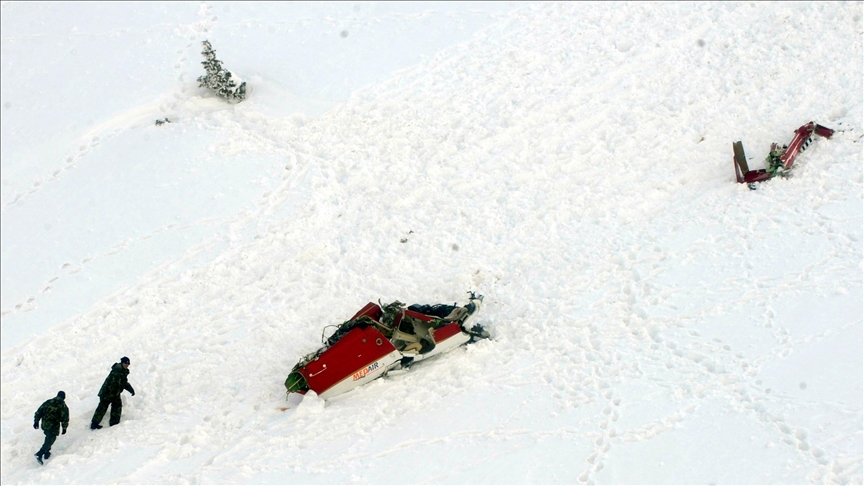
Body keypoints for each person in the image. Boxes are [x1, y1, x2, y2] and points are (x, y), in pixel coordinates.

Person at [90, 356, 135, 429]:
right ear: (122, 363)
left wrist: (131, 389)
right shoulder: (117, 371)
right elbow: (114, 384)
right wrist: (113, 395)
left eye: (128, 364)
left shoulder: (122, 371)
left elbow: (124, 383)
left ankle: (114, 423)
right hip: (107, 393)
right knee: (102, 408)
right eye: (126, 363)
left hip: (114, 393)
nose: (127, 365)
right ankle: (95, 423)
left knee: (115, 407)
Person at [33, 391, 69, 465]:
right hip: (53, 426)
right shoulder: (63, 405)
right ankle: (40, 453)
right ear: (64, 398)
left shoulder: (48, 401)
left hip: (45, 424)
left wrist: (36, 421)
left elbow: (39, 411)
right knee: (51, 438)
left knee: (48, 437)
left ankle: (46, 452)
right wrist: (64, 428)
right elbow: (65, 418)